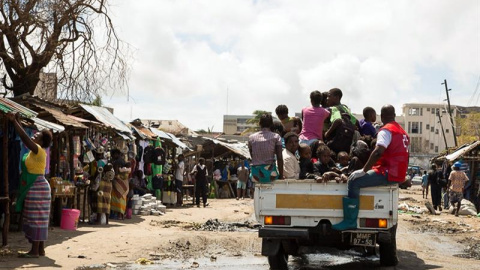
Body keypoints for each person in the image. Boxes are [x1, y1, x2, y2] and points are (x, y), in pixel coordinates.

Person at [333, 105, 409, 231]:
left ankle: (349, 221)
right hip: (398, 173)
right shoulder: (403, 132)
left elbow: (378, 152)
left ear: (382, 116)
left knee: (353, 180)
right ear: (394, 115)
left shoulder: (386, 131)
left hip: (388, 172)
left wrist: (364, 170)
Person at [8, 113, 52, 258]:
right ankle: (40, 249)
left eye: (37, 136)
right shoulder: (31, 154)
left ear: (42, 141)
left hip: (37, 187)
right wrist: (18, 120)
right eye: (34, 135)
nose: (33, 136)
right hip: (34, 187)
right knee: (37, 217)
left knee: (36, 218)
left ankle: (34, 251)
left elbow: (25, 139)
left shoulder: (39, 151)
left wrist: (15, 122)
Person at [248, 113, 284, 182]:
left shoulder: (251, 138)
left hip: (255, 175)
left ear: (259, 123)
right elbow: (279, 158)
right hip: (270, 174)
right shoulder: (276, 137)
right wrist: (281, 176)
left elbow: (252, 155)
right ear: (271, 124)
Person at [110, 149, 130, 220]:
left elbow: (116, 173)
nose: (112, 156)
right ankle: (121, 215)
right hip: (124, 182)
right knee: (122, 199)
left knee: (118, 198)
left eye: (113, 154)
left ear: (116, 154)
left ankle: (118, 215)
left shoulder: (117, 162)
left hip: (118, 182)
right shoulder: (122, 160)